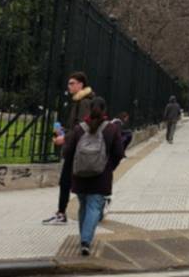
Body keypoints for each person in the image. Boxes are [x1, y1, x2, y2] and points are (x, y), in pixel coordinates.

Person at [63, 96, 125, 257]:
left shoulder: (79, 129)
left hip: (80, 176)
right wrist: (109, 167)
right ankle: (85, 241)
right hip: (101, 176)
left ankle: (84, 238)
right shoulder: (111, 129)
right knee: (94, 207)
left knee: (83, 206)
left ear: (89, 109)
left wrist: (72, 171)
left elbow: (68, 153)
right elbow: (119, 153)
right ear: (104, 110)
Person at [44, 71, 93, 225]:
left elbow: (82, 127)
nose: (69, 86)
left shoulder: (84, 102)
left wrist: (64, 137)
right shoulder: (78, 101)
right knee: (74, 182)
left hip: (78, 149)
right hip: (76, 147)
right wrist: (63, 131)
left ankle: (61, 214)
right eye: (69, 83)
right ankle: (62, 212)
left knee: (67, 181)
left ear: (81, 84)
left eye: (72, 83)